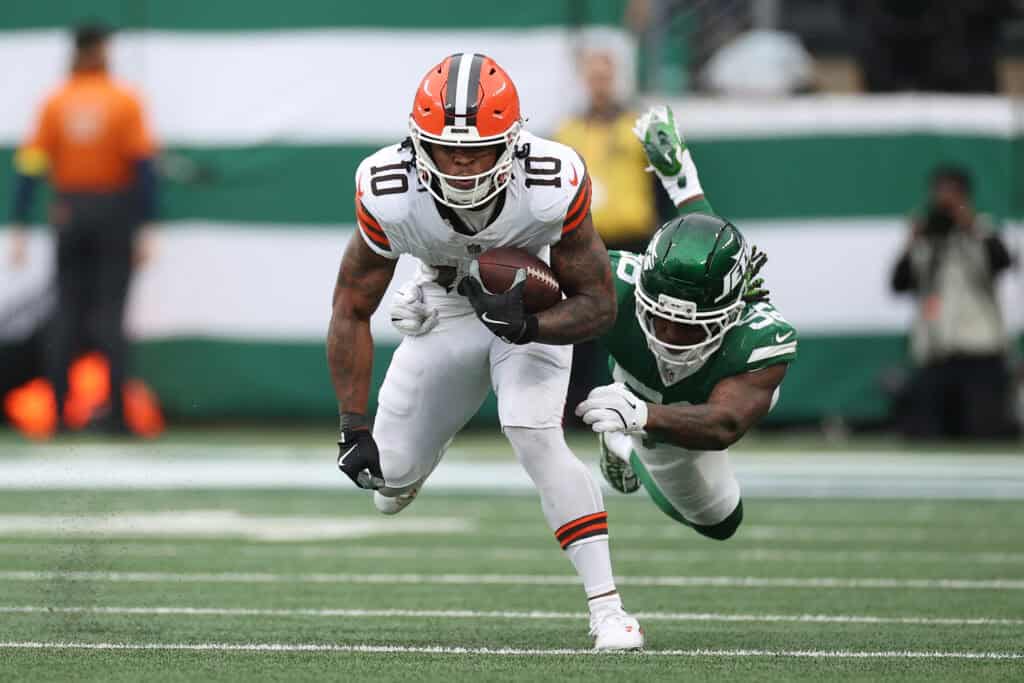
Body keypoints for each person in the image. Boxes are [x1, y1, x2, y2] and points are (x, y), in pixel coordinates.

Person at [326, 53, 642, 650]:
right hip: (443, 310)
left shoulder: (552, 179)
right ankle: (416, 462)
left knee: (531, 429)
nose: (464, 161)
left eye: (480, 147)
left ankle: (609, 610)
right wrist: (350, 424)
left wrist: (528, 327)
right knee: (386, 481)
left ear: (514, 143)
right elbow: (350, 305)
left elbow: (599, 303)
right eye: (447, 148)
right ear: (418, 144)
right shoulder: (389, 190)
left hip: (533, 309)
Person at [390, 106, 797, 549]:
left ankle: (627, 448)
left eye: (691, 328)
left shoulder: (761, 337)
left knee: (720, 520)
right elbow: (513, 278)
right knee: (718, 519)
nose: (671, 337)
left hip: (670, 405)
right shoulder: (618, 285)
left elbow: (724, 422)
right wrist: (432, 289)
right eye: (659, 317)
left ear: (731, 312)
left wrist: (643, 417)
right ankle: (636, 444)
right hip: (639, 391)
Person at [7, 23, 158, 434]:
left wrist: (20, 220)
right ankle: (115, 416)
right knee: (110, 312)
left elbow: (31, 166)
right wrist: (147, 226)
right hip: (111, 209)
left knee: (67, 310)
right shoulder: (123, 100)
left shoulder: (56, 101)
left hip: (69, 210)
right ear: (99, 50)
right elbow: (143, 167)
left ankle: (58, 411)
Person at [554, 49, 667, 426]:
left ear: (615, 78)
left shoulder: (639, 126)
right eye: (593, 76)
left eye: (605, 76)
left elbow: (661, 187)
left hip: (633, 240)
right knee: (578, 329)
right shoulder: (567, 131)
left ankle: (641, 409)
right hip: (584, 243)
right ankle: (575, 410)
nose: (599, 84)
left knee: (636, 329)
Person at [890, 166, 1016, 439]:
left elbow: (1004, 262)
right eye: (939, 193)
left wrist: (970, 225)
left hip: (980, 351)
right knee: (927, 435)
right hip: (936, 351)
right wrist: (911, 242)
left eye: (952, 194)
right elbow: (898, 284)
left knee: (984, 433)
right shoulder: (926, 238)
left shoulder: (981, 230)